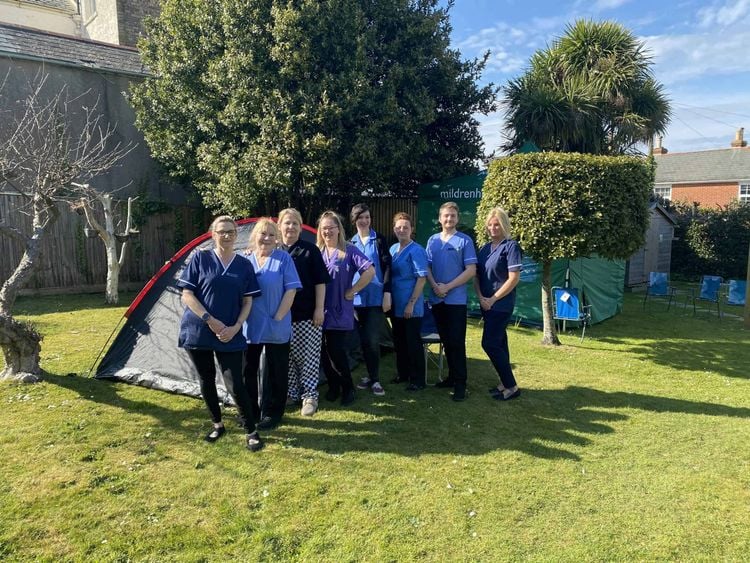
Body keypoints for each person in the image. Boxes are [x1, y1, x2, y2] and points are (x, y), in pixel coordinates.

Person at [177, 215, 264, 452]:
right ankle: (217, 424)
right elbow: (187, 295)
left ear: (236, 235)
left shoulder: (244, 265)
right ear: (213, 234)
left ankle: (251, 431)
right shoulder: (200, 258)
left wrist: (236, 326)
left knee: (235, 383)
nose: (226, 235)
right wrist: (210, 320)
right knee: (206, 380)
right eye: (221, 231)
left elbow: (248, 301)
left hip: (230, 332)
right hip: (198, 331)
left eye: (230, 232)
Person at [242, 218, 302, 430]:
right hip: (250, 324)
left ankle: (272, 413)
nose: (266, 238)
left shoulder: (284, 258)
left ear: (277, 239)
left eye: (271, 235)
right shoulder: (245, 259)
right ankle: (249, 411)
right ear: (254, 236)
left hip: (276, 324)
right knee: (247, 370)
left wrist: (279, 315)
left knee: (276, 371)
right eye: (262, 234)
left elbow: (291, 289)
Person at [318, 210, 374, 406]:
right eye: (324, 228)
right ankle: (333, 386)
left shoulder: (348, 250)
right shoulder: (318, 252)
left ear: (338, 229)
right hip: (318, 311)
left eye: (330, 228)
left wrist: (353, 290)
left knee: (336, 352)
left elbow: (370, 271)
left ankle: (347, 388)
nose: (327, 232)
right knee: (322, 353)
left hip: (339, 310)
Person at [278, 207, 330, 417]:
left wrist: (319, 309)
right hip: (281, 317)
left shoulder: (310, 250)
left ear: (301, 227)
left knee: (308, 357)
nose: (291, 227)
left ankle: (310, 396)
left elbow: (320, 282)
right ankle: (291, 394)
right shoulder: (273, 249)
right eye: (287, 223)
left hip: (307, 314)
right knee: (288, 357)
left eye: (295, 223)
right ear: (279, 225)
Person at [425, 201, 477, 401]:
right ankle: (451, 377)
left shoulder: (465, 241)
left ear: (457, 218)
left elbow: (471, 271)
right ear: (440, 218)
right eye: (445, 215)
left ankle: (460, 384)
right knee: (446, 342)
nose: (449, 219)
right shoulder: (432, 241)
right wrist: (435, 286)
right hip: (437, 300)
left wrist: (447, 287)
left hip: (455, 301)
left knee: (456, 342)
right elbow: (426, 267)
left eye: (452, 216)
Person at [473, 207, 522, 401]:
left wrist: (493, 299)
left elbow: (513, 278)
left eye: (497, 224)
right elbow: (477, 277)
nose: (493, 228)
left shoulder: (511, 247)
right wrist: (480, 297)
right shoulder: (484, 248)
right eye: (490, 225)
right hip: (486, 304)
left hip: (501, 305)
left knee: (489, 343)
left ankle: (512, 386)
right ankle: (504, 383)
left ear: (504, 225)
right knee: (500, 343)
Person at [350, 203, 392, 397]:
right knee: (362, 341)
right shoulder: (351, 243)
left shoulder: (379, 239)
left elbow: (387, 267)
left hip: (376, 298)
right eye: (361, 218)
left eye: (367, 217)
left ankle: (375, 379)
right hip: (356, 300)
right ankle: (368, 374)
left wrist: (386, 293)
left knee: (373, 339)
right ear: (355, 220)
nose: (364, 221)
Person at [389, 212, 428, 391]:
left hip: (411, 305)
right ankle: (402, 374)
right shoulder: (392, 249)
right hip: (396, 305)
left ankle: (418, 379)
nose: (402, 230)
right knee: (399, 342)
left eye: (406, 227)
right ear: (394, 229)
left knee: (413, 343)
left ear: (411, 229)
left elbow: (421, 278)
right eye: (399, 227)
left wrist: (411, 303)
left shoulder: (417, 250)